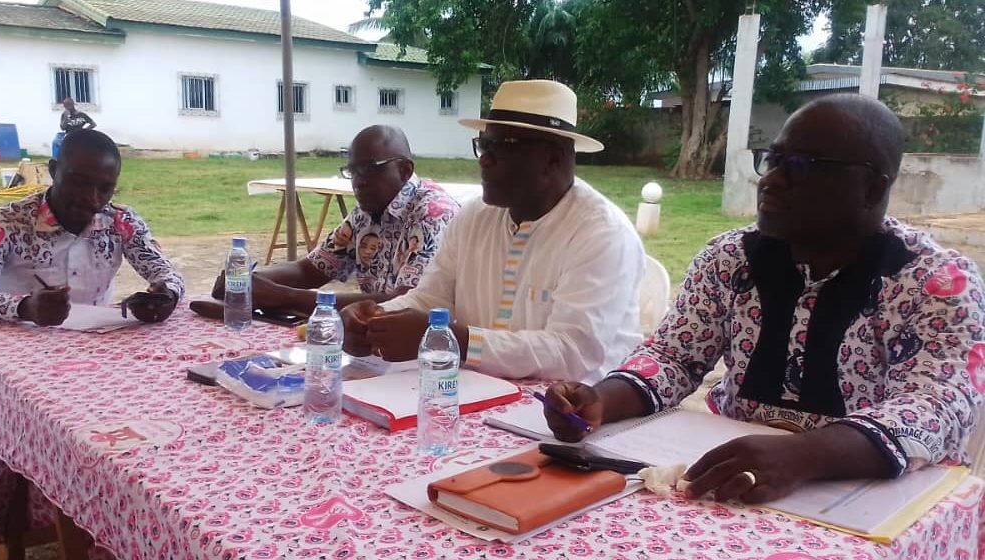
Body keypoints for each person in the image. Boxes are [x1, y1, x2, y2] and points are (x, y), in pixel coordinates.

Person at [544, 93, 984, 503]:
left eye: (801, 165)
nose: (771, 180)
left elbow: (935, 405)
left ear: (872, 188)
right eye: (771, 160)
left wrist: (804, 455)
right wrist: (602, 399)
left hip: (878, 496)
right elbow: (674, 356)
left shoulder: (936, 281)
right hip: (735, 476)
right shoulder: (731, 258)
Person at [0, 129, 184, 559]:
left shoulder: (121, 222)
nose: (91, 198)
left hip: (90, 353)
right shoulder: (4, 225)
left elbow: (165, 271)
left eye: (104, 187)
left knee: (138, 423)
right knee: (4, 423)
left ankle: (104, 511)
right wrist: (24, 308)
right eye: (77, 180)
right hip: (15, 356)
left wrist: (164, 296)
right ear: (53, 172)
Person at [342, 80, 645, 382]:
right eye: (484, 145)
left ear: (553, 158)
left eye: (503, 147)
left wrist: (456, 341)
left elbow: (572, 352)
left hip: (571, 411)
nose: (485, 160)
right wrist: (374, 318)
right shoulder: (474, 217)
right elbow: (429, 298)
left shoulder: (602, 234)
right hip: (474, 392)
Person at [211, 125, 459, 315]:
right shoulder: (367, 212)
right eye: (353, 171)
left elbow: (406, 301)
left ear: (404, 171)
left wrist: (285, 297)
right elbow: (311, 269)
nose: (358, 181)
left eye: (370, 169)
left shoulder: (432, 214)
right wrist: (248, 281)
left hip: (430, 351)